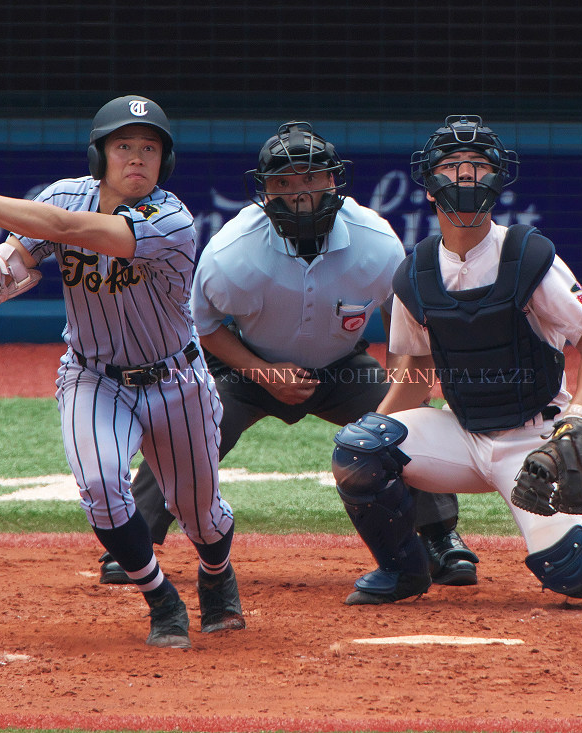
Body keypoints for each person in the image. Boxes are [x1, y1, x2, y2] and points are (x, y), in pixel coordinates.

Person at [0, 95, 244, 649]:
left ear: (165, 162)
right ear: (100, 154)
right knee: (100, 486)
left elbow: (72, 229)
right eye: (124, 146)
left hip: (175, 380)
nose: (137, 157)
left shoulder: (170, 218)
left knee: (199, 514)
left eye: (150, 148)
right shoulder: (63, 194)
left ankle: (216, 571)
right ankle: (161, 598)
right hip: (94, 377)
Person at [99, 121, 481, 588]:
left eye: (310, 178)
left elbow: (408, 332)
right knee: (187, 420)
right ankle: (133, 543)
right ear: (264, 191)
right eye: (283, 183)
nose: (299, 193)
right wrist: (262, 372)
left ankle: (440, 538)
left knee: (405, 420)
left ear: (333, 181)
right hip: (245, 366)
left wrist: (401, 399)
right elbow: (205, 329)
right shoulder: (230, 253)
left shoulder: (376, 244)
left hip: (342, 368)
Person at [330, 115, 582, 606]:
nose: (465, 177)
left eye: (477, 166)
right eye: (452, 166)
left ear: (496, 179)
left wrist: (578, 420)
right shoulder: (415, 273)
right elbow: (415, 377)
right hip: (462, 432)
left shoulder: (526, 255)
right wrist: (360, 454)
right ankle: (403, 572)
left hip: (535, 441)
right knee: (361, 446)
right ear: (430, 186)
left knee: (573, 576)